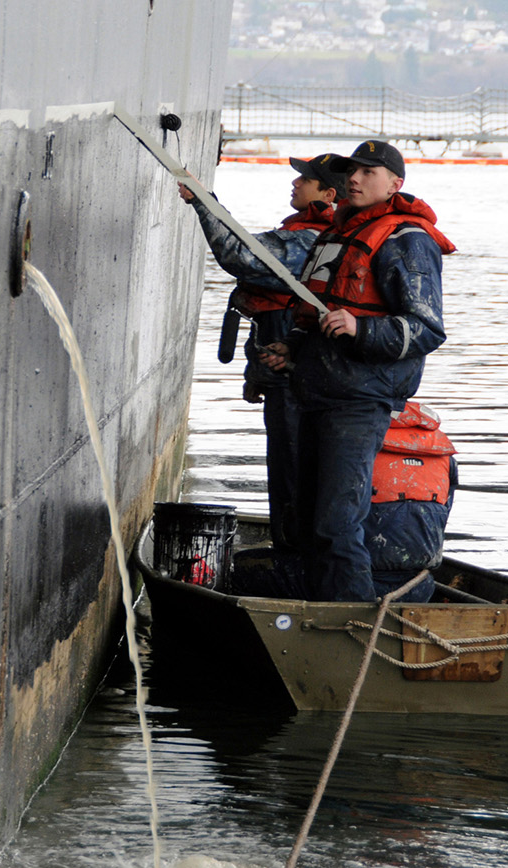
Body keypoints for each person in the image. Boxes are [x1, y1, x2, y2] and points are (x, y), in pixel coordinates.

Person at [262, 139, 456, 601]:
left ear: (395, 183)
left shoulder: (407, 240)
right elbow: (319, 314)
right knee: (308, 519)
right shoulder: (337, 235)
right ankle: (316, 612)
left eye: (370, 172)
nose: (355, 178)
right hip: (316, 395)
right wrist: (291, 351)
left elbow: (426, 328)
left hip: (359, 404)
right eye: (353, 171)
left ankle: (349, 624)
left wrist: (361, 329)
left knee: (336, 524)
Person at [178, 155, 348, 563]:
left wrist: (204, 202)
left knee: (292, 462)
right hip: (283, 357)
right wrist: (256, 372)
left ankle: (294, 557)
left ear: (329, 194)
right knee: (288, 457)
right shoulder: (314, 236)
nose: (295, 183)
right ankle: (293, 548)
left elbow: (241, 255)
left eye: (305, 179)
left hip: (296, 372)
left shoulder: (309, 241)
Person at [364, 401, 457, 602]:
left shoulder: (359, 444)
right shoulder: (444, 453)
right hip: (420, 583)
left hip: (363, 577)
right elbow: (446, 508)